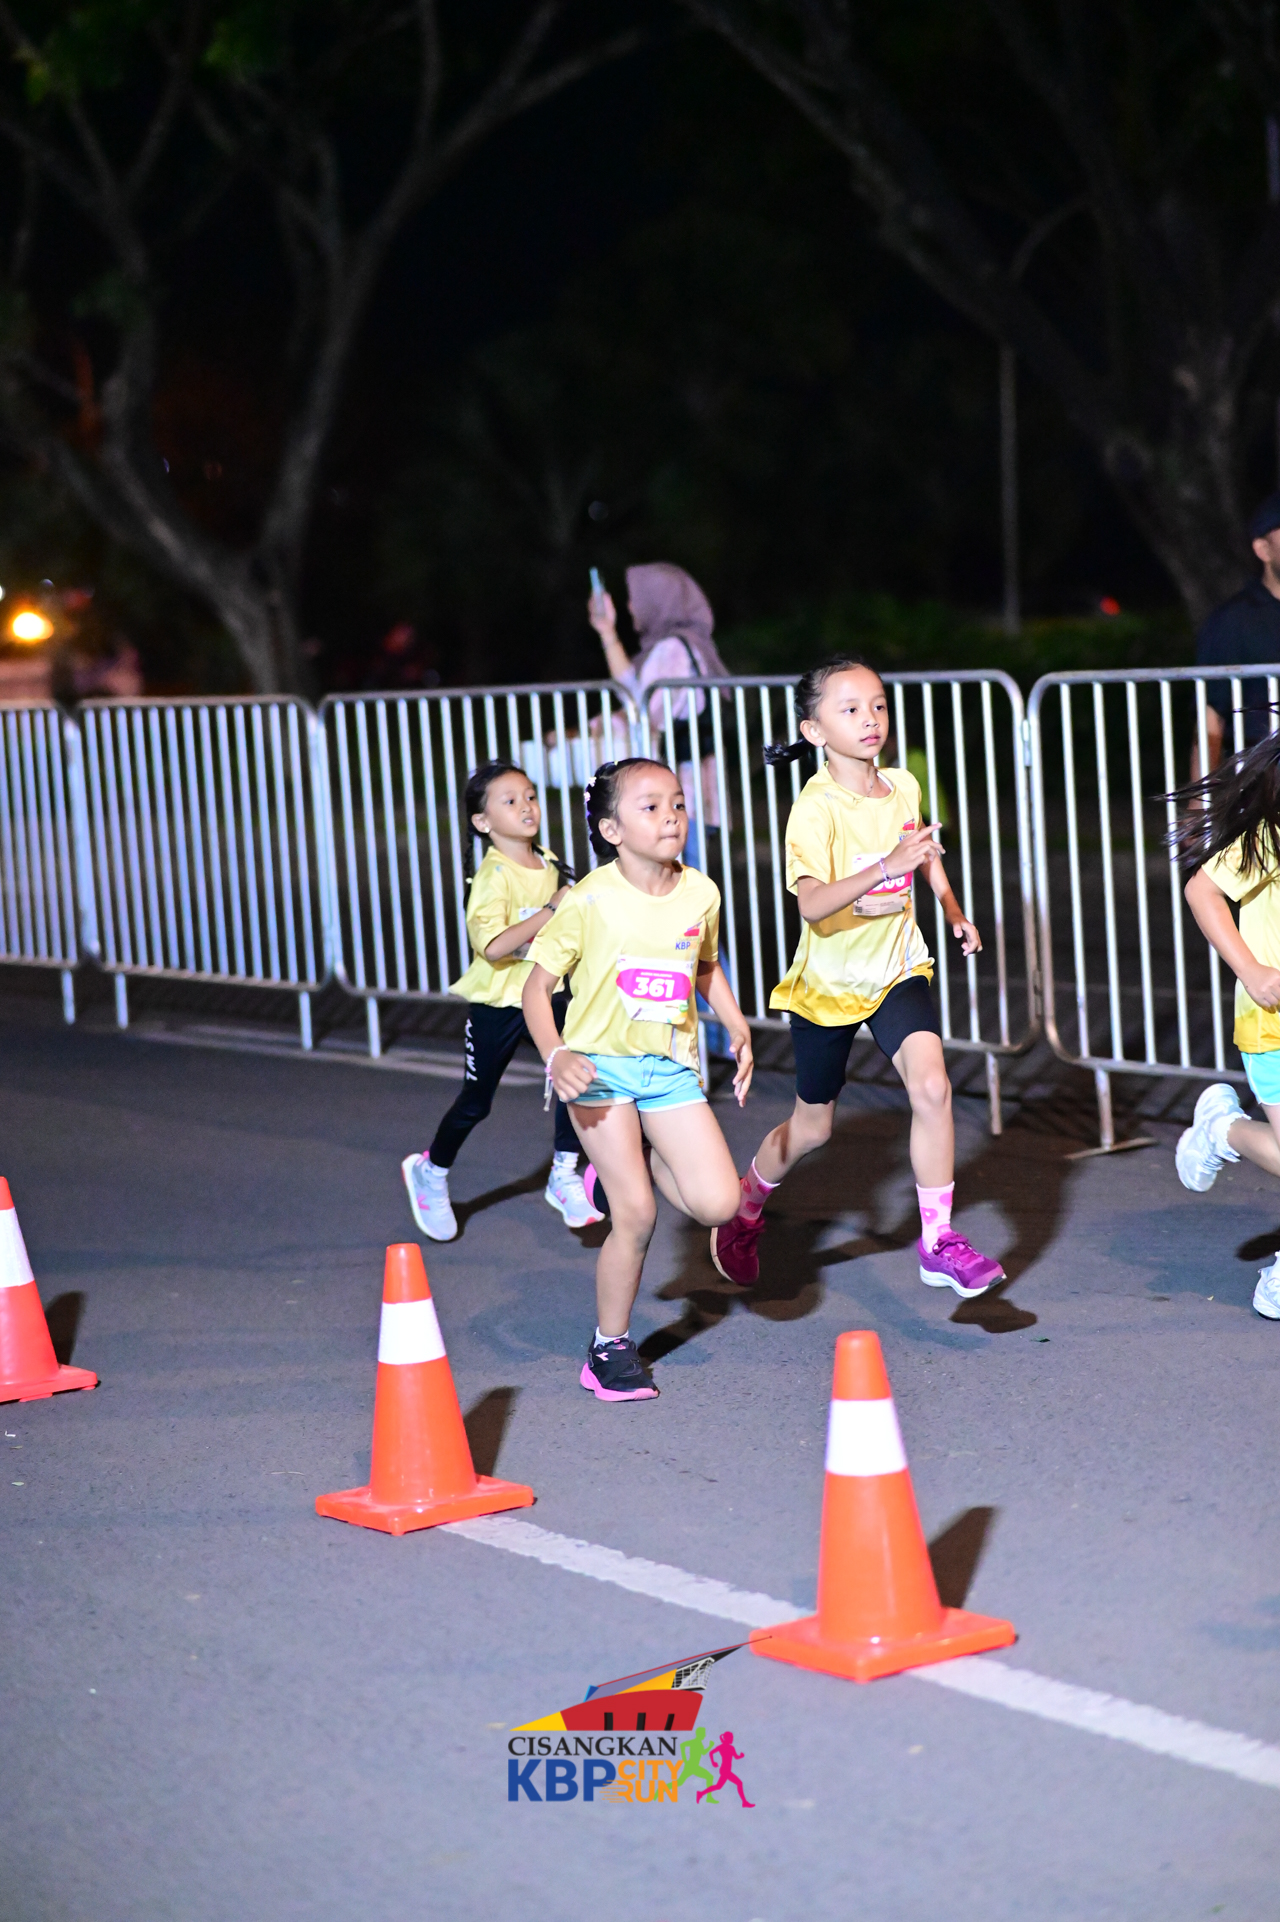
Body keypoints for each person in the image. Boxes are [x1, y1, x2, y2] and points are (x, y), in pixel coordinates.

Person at [708, 655, 1005, 1299]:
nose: (870, 719)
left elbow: (923, 853)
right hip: (829, 985)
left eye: (878, 705)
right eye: (850, 709)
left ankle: (937, 1241)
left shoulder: (902, 785)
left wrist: (953, 910)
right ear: (814, 731)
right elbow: (812, 903)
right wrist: (883, 868)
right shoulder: (814, 809)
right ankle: (748, 1201)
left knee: (933, 1087)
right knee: (812, 1129)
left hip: (898, 967)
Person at [522, 757, 753, 1402]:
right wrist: (556, 1055)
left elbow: (703, 965)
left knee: (720, 1205)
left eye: (677, 803)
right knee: (637, 1214)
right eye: (650, 807)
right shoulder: (589, 900)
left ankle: (627, 1160)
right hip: (596, 1068)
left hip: (669, 1067)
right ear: (612, 829)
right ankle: (609, 1349)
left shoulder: (700, 892)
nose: (671, 816)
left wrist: (735, 1022)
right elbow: (536, 988)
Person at [401, 761, 601, 1240]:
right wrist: (552, 909)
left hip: (547, 995)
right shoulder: (494, 876)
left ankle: (563, 1173)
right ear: (482, 821)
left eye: (530, 795)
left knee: (577, 1075)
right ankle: (431, 1171)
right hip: (500, 1002)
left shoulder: (549, 862)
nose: (526, 806)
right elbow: (492, 947)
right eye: (510, 801)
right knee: (477, 1101)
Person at [1170, 730, 1280, 1318]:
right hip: (1272, 1021)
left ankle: (1221, 1130)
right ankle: (1224, 1131)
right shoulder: (1270, 835)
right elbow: (1202, 891)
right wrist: (1252, 970)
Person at [587, 562, 729, 829]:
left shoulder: (672, 649)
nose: (631, 607)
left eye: (637, 599)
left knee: (681, 853)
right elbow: (638, 693)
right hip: (693, 786)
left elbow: (642, 707)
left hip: (682, 789)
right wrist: (607, 630)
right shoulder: (690, 643)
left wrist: (600, 724)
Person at [1193, 492, 1280, 775]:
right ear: (1263, 549)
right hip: (1264, 781)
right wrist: (1201, 797)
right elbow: (1211, 718)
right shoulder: (1233, 620)